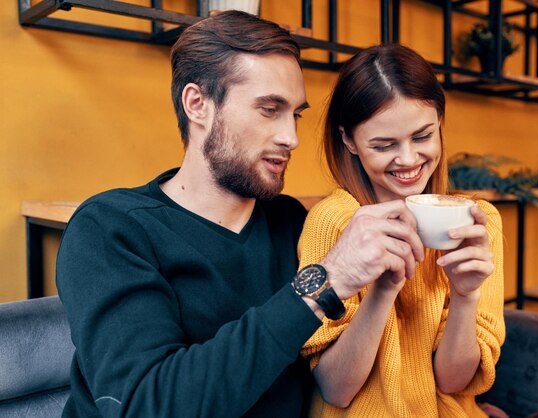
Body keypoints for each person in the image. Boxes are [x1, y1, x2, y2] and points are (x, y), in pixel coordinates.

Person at [55, 11, 425, 418]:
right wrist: (325, 282)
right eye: (269, 109)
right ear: (197, 104)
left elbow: (337, 381)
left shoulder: (290, 222)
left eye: (295, 114)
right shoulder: (111, 228)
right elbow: (148, 405)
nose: (292, 137)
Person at [298, 44, 506, 417]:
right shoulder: (333, 221)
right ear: (349, 141)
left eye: (423, 136)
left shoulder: (478, 222)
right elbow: (335, 389)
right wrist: (383, 288)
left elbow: (453, 383)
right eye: (383, 145)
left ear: (440, 123)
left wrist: (465, 295)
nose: (409, 160)